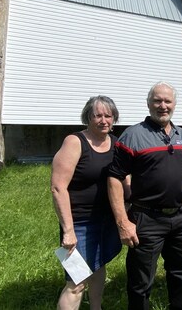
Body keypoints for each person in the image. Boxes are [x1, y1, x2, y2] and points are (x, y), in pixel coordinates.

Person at [108, 81, 182, 310]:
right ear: (148, 104)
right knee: (140, 281)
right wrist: (123, 222)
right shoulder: (133, 135)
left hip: (181, 218)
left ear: (174, 104)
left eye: (167, 101)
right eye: (157, 100)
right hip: (147, 219)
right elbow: (115, 178)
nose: (162, 105)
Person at [51, 95, 126, 310]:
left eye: (108, 116)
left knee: (98, 266)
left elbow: (124, 180)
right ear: (88, 117)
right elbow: (58, 187)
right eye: (98, 115)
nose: (104, 120)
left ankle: (96, 307)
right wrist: (68, 230)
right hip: (80, 223)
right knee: (76, 283)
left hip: (107, 220)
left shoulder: (116, 144)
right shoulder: (75, 142)